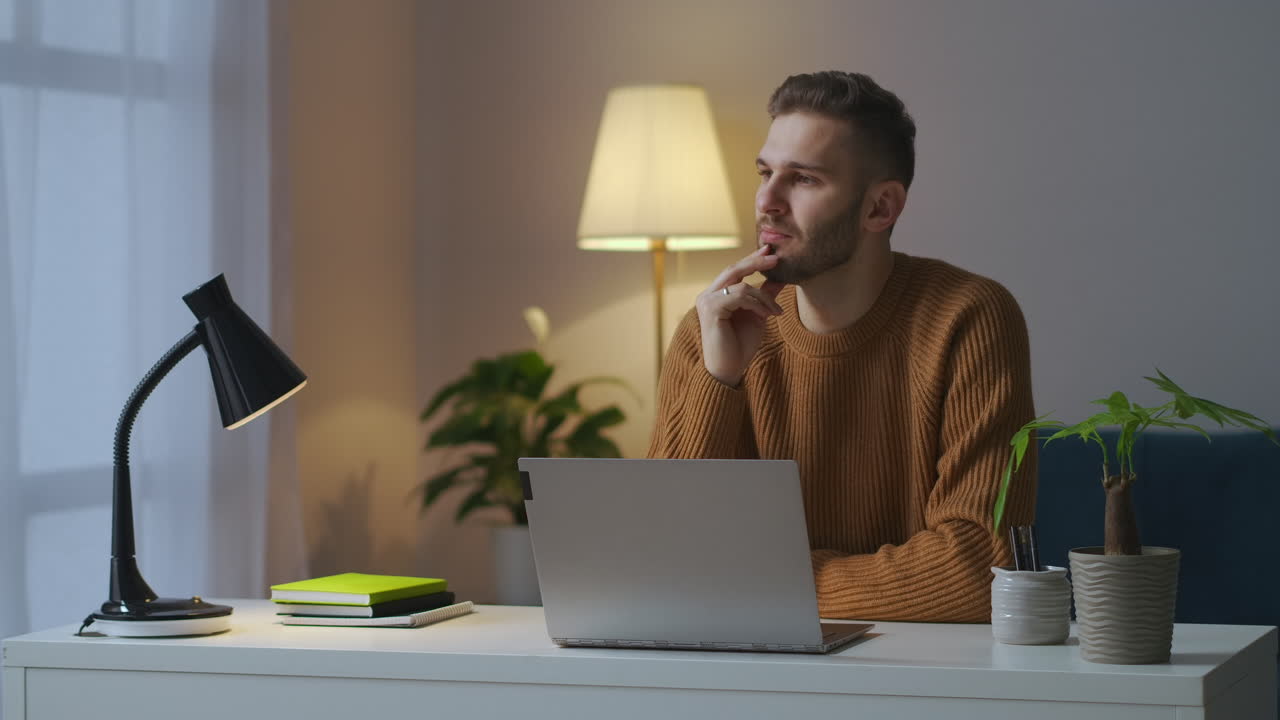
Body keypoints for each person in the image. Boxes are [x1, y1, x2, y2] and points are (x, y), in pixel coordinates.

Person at [647, 71, 1037, 623]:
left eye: (803, 179)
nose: (767, 201)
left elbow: (977, 569)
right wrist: (720, 381)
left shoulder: (969, 317)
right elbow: (662, 561)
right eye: (765, 172)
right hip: (741, 668)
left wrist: (765, 582)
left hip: (920, 675)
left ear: (880, 207)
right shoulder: (712, 328)